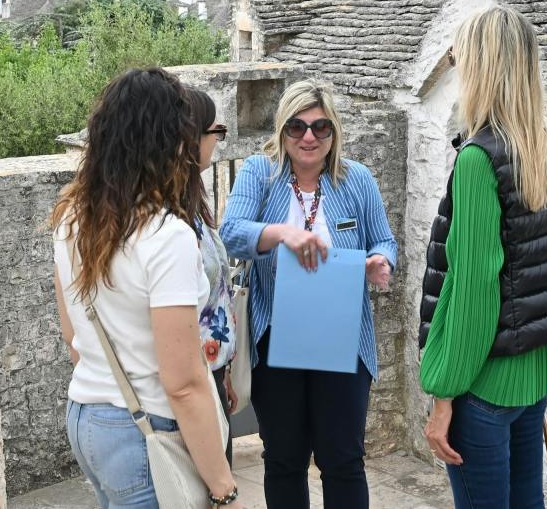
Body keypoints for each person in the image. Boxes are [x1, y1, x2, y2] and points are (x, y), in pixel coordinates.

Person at [51, 68, 243, 509]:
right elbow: (183, 384)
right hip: (146, 428)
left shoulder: (72, 217)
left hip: (88, 415)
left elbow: (72, 333)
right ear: (170, 142)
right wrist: (225, 490)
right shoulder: (166, 237)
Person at [418, 7, 547, 509]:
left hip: (483, 383)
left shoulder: (477, 159)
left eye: (460, 59)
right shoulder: (542, 148)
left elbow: (474, 290)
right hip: (534, 373)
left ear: (482, 67)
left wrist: (444, 392)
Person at [221, 80, 398, 508]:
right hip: (277, 339)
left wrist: (380, 260)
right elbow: (231, 232)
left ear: (333, 132)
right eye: (297, 126)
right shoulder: (260, 174)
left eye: (321, 127)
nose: (308, 137)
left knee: (344, 459)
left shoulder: (356, 180)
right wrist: (281, 234)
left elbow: (384, 240)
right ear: (282, 129)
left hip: (341, 340)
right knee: (284, 459)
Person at [184, 86, 238, 401]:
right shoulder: (171, 220)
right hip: (194, 381)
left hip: (212, 369)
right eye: (216, 132)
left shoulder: (191, 204)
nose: (218, 141)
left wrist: (224, 368)